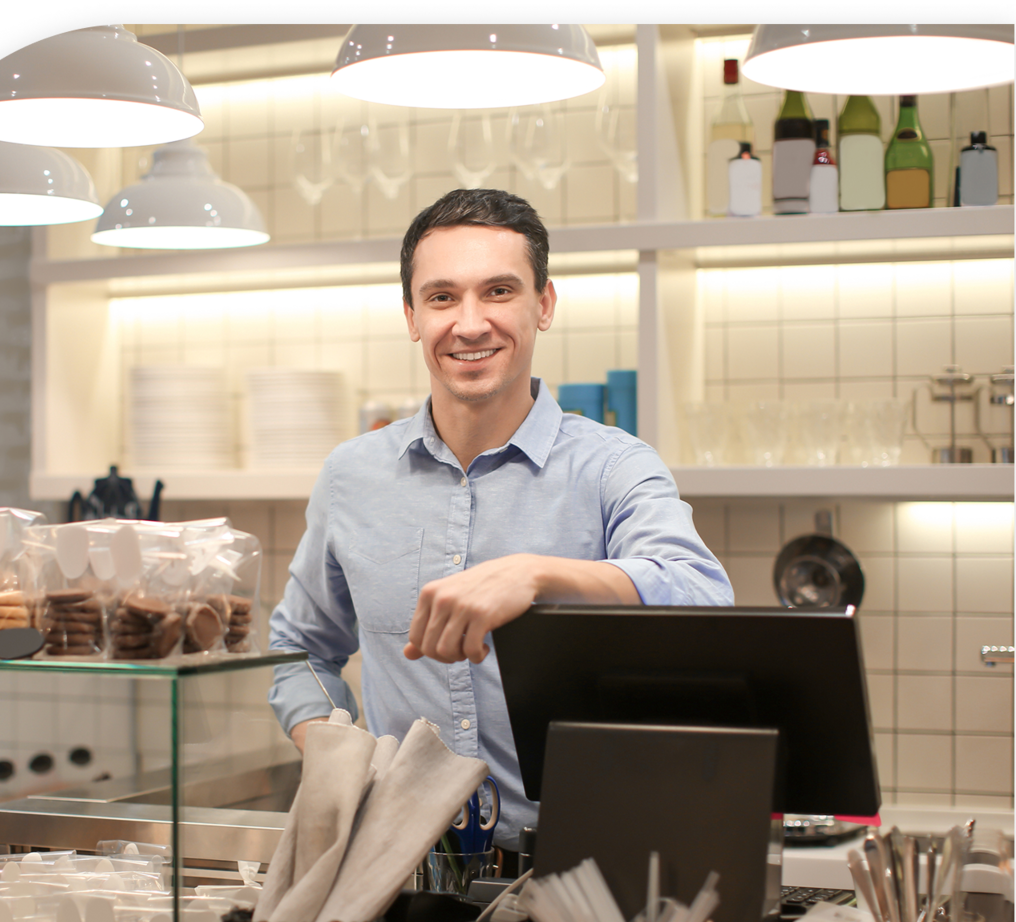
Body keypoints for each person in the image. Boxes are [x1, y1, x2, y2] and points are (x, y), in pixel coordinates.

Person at [267, 188, 732, 850]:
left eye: (498, 291)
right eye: (442, 297)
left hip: (581, 868)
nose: (470, 322)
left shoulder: (613, 467)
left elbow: (702, 594)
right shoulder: (351, 475)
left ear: (543, 305)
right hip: (397, 868)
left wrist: (538, 575)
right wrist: (338, 753)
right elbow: (298, 647)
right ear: (410, 316)